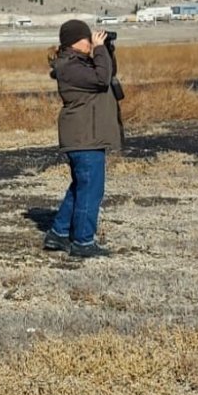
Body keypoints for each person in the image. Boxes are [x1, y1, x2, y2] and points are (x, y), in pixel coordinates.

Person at [44, 19, 124, 259]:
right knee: (91, 189)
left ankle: (58, 233)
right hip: (83, 137)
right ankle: (83, 241)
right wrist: (99, 50)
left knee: (81, 186)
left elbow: (109, 73)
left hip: (87, 135)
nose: (91, 41)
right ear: (75, 41)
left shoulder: (80, 62)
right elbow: (101, 79)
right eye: (88, 38)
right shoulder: (69, 66)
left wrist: (106, 49)